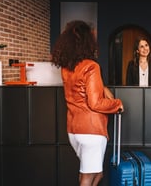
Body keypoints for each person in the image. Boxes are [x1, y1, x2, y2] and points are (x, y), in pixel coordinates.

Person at [51, 20, 124, 186]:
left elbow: (81, 90)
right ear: (87, 42)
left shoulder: (67, 67)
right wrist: (118, 103)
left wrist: (101, 86)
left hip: (74, 130)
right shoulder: (91, 66)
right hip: (91, 130)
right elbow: (95, 103)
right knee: (87, 177)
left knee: (96, 173)